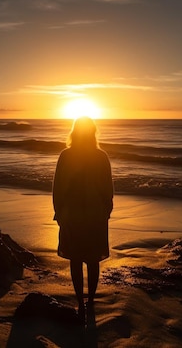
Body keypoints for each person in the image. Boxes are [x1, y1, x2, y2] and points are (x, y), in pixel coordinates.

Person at [52, 116, 113, 320]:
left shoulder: (66, 155)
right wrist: (107, 210)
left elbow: (57, 187)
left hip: (71, 213)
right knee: (93, 258)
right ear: (93, 132)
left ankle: (80, 302)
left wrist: (58, 211)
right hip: (95, 214)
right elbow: (108, 189)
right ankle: (91, 300)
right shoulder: (101, 156)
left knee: (76, 259)